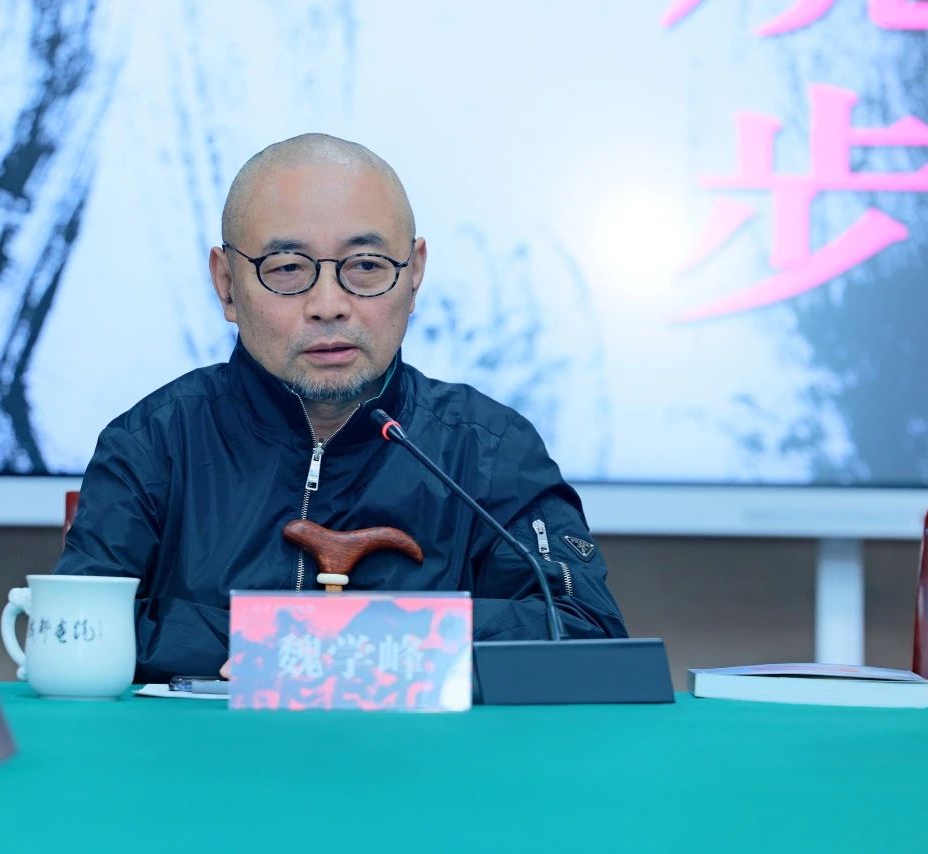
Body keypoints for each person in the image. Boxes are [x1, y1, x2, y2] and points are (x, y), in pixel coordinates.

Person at [55, 133, 627, 683]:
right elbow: (79, 629)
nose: (328, 305)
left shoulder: (489, 449)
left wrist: (358, 644)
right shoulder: (154, 442)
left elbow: (583, 630)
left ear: (414, 274)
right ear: (226, 284)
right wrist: (284, 644)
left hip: (417, 753)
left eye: (366, 266)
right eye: (287, 269)